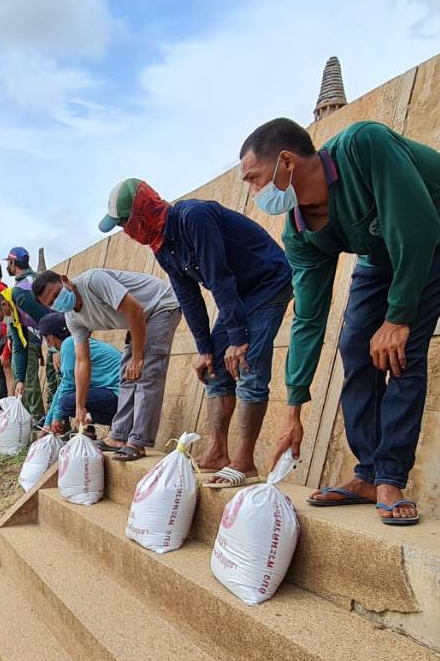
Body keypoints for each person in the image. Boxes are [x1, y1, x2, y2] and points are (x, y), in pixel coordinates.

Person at [240, 116, 440, 525]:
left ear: (286, 162)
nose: (254, 193)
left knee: (401, 347)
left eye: (253, 178)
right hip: (383, 251)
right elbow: (308, 318)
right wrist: (293, 409)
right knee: (355, 345)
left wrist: (399, 316)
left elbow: (417, 224)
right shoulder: (299, 231)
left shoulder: (363, 145)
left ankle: (390, 477)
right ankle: (369, 474)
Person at [98, 178, 293, 487]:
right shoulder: (162, 245)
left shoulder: (193, 218)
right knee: (215, 366)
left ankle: (244, 461)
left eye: (125, 223)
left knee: (248, 364)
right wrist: (204, 348)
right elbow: (188, 296)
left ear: (141, 213)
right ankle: (217, 451)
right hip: (238, 292)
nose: (126, 231)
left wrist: (238, 338)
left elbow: (219, 278)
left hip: (267, 283)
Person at [30, 268, 182, 460]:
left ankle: (138, 441)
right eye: (51, 303)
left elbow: (135, 309)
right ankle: (118, 436)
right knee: (127, 377)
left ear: (65, 280)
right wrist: (79, 407)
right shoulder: (72, 318)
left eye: (57, 294)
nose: (57, 302)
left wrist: (137, 357)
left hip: (160, 305)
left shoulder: (93, 281)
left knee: (146, 373)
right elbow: (82, 361)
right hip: (137, 318)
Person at [37, 311, 122, 432]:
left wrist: (57, 417)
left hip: (119, 394)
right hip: (119, 393)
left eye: (44, 338)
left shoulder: (68, 345)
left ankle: (120, 422)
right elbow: (63, 386)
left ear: (50, 338)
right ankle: (89, 429)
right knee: (73, 398)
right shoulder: (75, 342)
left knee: (67, 403)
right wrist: (48, 422)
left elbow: (67, 386)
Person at [4, 247, 52, 425]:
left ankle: (42, 420)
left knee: (37, 379)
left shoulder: (18, 291)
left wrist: (20, 378)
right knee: (56, 378)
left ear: (12, 262)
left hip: (49, 337)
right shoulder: (40, 278)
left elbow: (44, 317)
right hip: (57, 335)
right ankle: (53, 422)